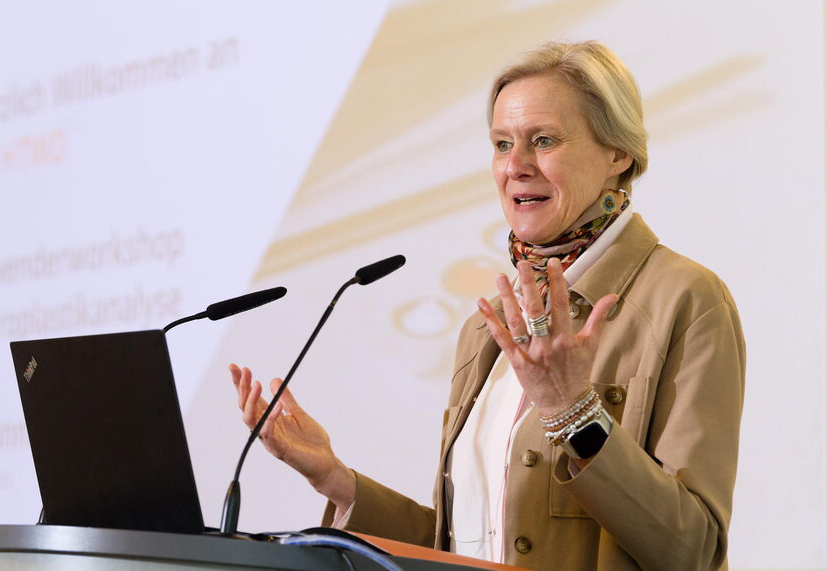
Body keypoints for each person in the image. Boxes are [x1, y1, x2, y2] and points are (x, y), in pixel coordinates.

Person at [230, 40, 745, 571]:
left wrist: (576, 413)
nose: (516, 166)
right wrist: (334, 478)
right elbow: (465, 549)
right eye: (501, 144)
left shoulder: (685, 299)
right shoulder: (487, 328)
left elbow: (696, 551)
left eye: (543, 140)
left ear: (619, 153)